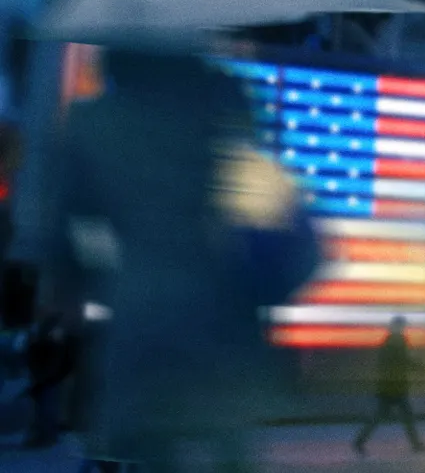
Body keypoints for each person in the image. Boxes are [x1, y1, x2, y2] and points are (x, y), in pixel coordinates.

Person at [45, 47, 273, 473]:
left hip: (138, 311)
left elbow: (65, 229)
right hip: (222, 309)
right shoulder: (223, 108)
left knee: (148, 443)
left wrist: (82, 292)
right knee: (230, 442)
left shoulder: (93, 123)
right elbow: (259, 207)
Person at [353, 316, 425, 456]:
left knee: (381, 416)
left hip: (389, 385)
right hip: (396, 386)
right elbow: (403, 359)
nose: (404, 329)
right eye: (402, 326)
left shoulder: (387, 341)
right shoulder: (398, 341)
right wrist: (418, 367)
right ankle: (416, 444)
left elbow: (392, 362)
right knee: (405, 416)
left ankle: (360, 441)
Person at [21, 310, 77, 448]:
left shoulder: (50, 340)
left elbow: (53, 361)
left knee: (46, 409)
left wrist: (44, 376)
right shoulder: (50, 339)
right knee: (45, 409)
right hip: (48, 378)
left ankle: (46, 437)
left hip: (48, 378)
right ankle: (46, 436)